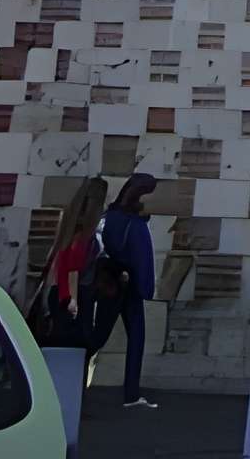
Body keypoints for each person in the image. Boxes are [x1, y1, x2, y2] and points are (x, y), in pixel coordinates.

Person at [85, 173, 158, 409]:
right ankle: (131, 393)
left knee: (98, 336)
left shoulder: (108, 217)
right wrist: (145, 288)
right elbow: (142, 260)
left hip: (107, 282)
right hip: (129, 286)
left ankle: (72, 380)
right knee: (135, 337)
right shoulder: (134, 224)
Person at [30, 174, 106, 348]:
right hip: (70, 296)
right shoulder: (81, 237)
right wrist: (71, 300)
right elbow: (72, 270)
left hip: (63, 294)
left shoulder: (69, 231)